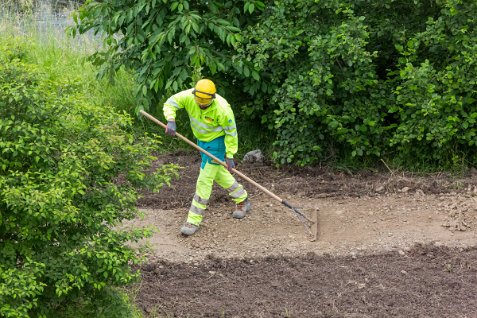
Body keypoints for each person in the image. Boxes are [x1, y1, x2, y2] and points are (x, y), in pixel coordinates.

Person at [163, 79, 251, 236]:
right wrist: (170, 120)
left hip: (217, 143)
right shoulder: (190, 96)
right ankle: (242, 198)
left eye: (205, 104)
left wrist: (229, 155)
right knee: (217, 173)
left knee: (204, 179)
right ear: (194, 95)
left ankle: (193, 220)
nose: (201, 106)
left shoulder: (223, 109)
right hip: (201, 141)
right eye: (199, 103)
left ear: (213, 98)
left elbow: (231, 132)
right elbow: (171, 103)